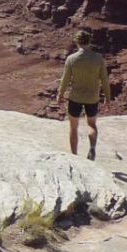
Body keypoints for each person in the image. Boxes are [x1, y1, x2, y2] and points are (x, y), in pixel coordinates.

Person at [54, 31, 110, 161]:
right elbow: (105, 80)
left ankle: (74, 156)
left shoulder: (72, 59)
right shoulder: (98, 58)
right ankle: (92, 148)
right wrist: (107, 99)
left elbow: (65, 80)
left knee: (73, 127)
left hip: (75, 98)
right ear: (89, 42)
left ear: (77, 42)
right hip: (92, 98)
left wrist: (60, 95)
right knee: (91, 124)